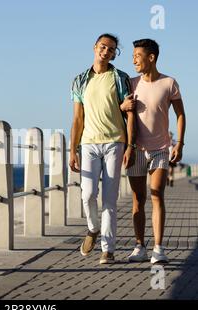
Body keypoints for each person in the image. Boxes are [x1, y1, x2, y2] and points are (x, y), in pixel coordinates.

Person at [69, 33, 135, 264]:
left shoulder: (120, 78)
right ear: (95, 47)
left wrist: (130, 146)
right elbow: (78, 119)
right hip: (88, 143)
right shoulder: (80, 80)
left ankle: (108, 249)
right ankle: (92, 229)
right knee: (87, 194)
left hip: (115, 142)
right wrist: (72, 150)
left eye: (111, 49)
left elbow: (130, 112)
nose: (106, 52)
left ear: (115, 53)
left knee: (109, 199)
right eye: (103, 47)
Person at [121, 39, 186, 264]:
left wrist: (180, 144)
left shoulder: (169, 83)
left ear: (151, 57)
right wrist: (122, 107)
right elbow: (121, 112)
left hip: (160, 148)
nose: (133, 60)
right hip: (136, 148)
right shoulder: (131, 83)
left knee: (157, 193)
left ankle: (158, 248)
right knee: (138, 199)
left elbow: (180, 115)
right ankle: (140, 246)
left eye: (137, 55)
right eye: (133, 55)